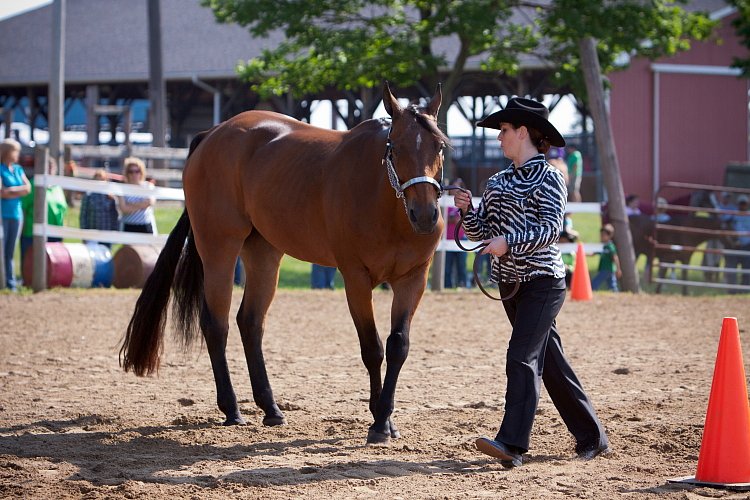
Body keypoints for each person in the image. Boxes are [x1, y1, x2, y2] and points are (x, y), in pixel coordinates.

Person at [453, 97, 609, 468]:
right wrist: (467, 212)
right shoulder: (497, 181)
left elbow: (551, 230)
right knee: (551, 363)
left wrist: (509, 242)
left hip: (543, 282)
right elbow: (484, 232)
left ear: (523, 131)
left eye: (504, 130)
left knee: (521, 357)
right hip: (510, 285)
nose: (500, 137)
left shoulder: (551, 176)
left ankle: (512, 443)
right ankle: (593, 436)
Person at [19, 157, 68, 264]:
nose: (50, 170)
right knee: (31, 262)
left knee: (52, 263)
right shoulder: (33, 185)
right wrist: (22, 229)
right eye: (47, 167)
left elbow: (62, 210)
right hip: (32, 233)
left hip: (54, 232)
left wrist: (62, 230)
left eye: (52, 168)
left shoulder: (57, 188)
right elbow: (23, 207)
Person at [1, 139, 31, 290]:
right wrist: (17, 191)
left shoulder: (18, 169)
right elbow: (2, 193)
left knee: (11, 251)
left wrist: (10, 190)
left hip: (16, 215)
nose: (18, 155)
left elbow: (28, 189)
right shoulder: (0, 169)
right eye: (16, 151)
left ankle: (10, 282)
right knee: (2, 249)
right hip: (2, 216)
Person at [79, 169, 119, 247]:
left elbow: (115, 216)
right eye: (97, 179)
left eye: (102, 179)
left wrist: (115, 231)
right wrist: (84, 234)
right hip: (91, 233)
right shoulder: (88, 196)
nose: (99, 181)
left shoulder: (110, 197)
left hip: (107, 234)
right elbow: (83, 216)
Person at [118, 157, 155, 233]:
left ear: (141, 172)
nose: (134, 174)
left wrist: (130, 205)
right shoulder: (122, 188)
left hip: (145, 225)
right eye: (131, 172)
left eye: (137, 171)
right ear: (127, 173)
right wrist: (141, 205)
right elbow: (124, 209)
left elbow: (150, 202)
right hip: (128, 225)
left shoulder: (148, 186)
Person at [445, 178, 467, 289]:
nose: (455, 191)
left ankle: (462, 285)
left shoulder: (464, 203)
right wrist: (452, 218)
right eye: (454, 187)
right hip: (448, 238)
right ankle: (447, 286)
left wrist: (456, 218)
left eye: (458, 188)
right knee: (447, 267)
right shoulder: (445, 201)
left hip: (461, 238)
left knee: (461, 265)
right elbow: (444, 218)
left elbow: (467, 218)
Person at [725, 195, 750, 293]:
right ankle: (732, 290)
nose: (742, 206)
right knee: (731, 268)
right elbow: (725, 223)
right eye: (741, 204)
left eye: (744, 204)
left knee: (747, 268)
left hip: (747, 245)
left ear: (747, 204)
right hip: (734, 245)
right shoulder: (732, 215)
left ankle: (745, 289)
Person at [591, 223, 621, 292]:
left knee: (596, 281)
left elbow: (615, 257)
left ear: (609, 236)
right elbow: (594, 253)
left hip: (607, 268)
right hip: (606, 269)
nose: (601, 237)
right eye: (601, 235)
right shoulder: (603, 246)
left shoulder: (610, 246)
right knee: (612, 284)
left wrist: (618, 269)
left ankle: (592, 290)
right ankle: (615, 292)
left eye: (603, 235)